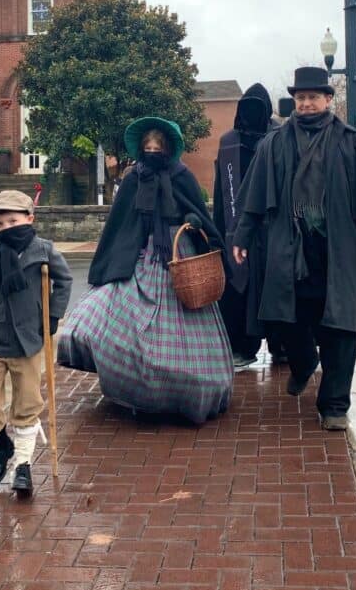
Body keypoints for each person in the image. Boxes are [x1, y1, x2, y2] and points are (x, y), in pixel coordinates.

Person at [232, 68, 356, 430]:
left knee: (341, 328)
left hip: (336, 250)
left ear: (327, 99)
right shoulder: (274, 143)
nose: (306, 104)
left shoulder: (350, 142)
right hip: (289, 248)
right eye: (301, 98)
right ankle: (304, 363)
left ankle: (334, 405)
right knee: (284, 317)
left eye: (313, 98)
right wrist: (241, 237)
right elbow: (254, 198)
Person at [57, 116, 234, 424]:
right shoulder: (132, 178)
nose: (152, 152)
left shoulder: (182, 175)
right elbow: (119, 223)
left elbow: (196, 208)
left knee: (181, 323)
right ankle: (141, 391)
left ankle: (183, 391)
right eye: (147, 147)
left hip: (178, 255)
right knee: (123, 318)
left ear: (168, 148)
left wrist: (192, 219)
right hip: (139, 256)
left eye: (157, 147)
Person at [0, 190, 72, 493]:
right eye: (0, 223)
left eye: (12, 221)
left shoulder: (43, 250)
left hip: (29, 340)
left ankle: (22, 466)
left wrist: (53, 315)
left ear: (29, 218)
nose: (6, 227)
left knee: (26, 405)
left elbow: (64, 281)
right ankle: (3, 446)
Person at [213, 83, 285, 368]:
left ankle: (282, 346)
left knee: (275, 289)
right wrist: (219, 233)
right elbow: (221, 189)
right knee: (238, 290)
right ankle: (241, 347)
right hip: (237, 228)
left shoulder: (280, 137)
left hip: (274, 229)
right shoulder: (228, 142)